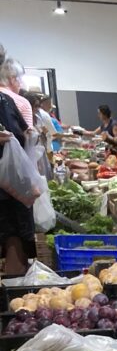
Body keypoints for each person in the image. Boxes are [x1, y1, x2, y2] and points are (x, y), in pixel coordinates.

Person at [0, 71, 36, 274]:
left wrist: (29, 135)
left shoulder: (5, 100)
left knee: (15, 233)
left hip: (11, 185)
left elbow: (22, 130)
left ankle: (14, 288)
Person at [0, 59, 33, 130]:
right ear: (12, 79)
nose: (21, 84)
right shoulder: (22, 103)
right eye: (20, 79)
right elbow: (29, 137)